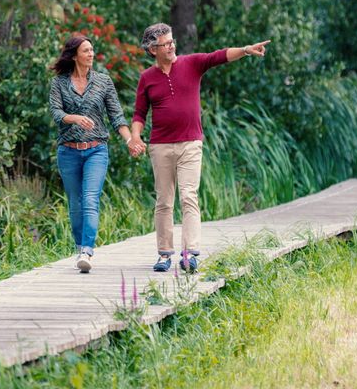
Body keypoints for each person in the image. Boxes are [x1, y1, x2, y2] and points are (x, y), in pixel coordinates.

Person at [130, 23, 270, 273]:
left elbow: (218, 56)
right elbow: (139, 114)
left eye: (172, 41)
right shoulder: (146, 78)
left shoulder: (192, 63)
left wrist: (247, 50)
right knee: (163, 201)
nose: (172, 45)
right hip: (160, 147)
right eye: (166, 43)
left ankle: (189, 253)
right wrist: (135, 138)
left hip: (190, 144)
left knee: (188, 196)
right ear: (153, 49)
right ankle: (164, 255)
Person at [50, 35, 142, 273]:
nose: (91, 54)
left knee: (90, 199)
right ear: (74, 55)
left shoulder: (103, 81)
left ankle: (87, 251)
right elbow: (56, 113)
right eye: (86, 51)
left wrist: (130, 140)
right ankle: (80, 246)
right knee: (75, 203)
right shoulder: (59, 83)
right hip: (68, 152)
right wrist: (74, 118)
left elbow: (116, 116)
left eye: (92, 50)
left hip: (96, 151)